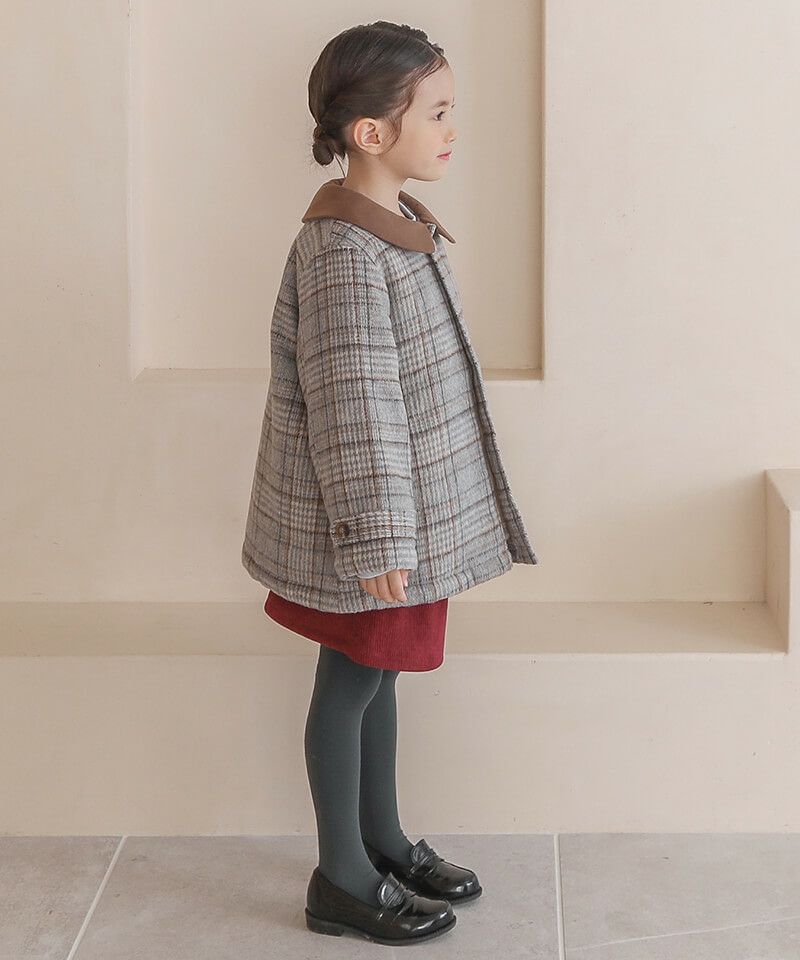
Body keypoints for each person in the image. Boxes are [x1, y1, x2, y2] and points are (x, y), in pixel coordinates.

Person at [240, 20, 539, 945]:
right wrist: (378, 537)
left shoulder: (395, 228)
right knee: (350, 682)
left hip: (403, 522)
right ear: (372, 132)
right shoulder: (345, 253)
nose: (453, 129)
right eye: (437, 112)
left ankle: (383, 842)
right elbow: (356, 409)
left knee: (379, 677)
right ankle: (341, 877)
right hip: (370, 528)